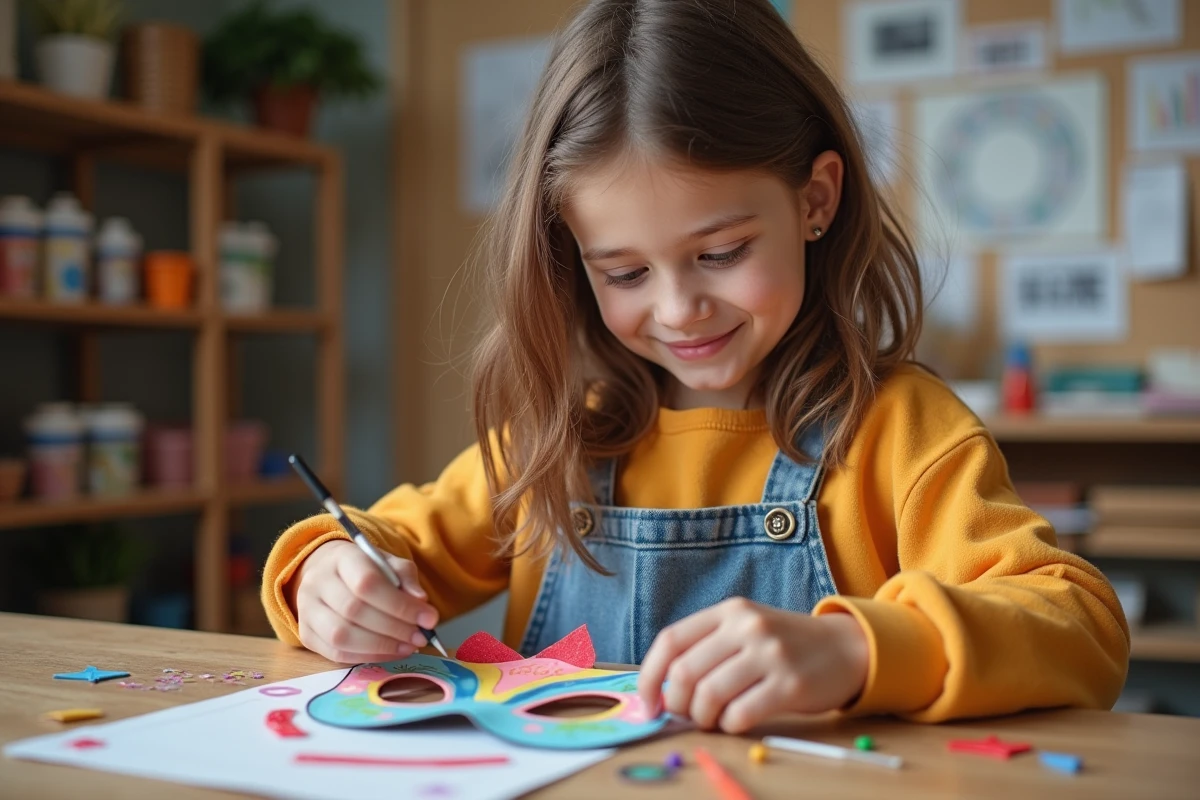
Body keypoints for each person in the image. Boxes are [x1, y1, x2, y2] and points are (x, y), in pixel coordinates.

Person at [263, 0, 1128, 732]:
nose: (679, 309)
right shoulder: (560, 436)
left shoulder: (902, 431)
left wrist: (859, 649)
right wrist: (327, 580)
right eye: (625, 273)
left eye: (721, 253)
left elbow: (1079, 624)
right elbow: (386, 542)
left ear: (816, 200)